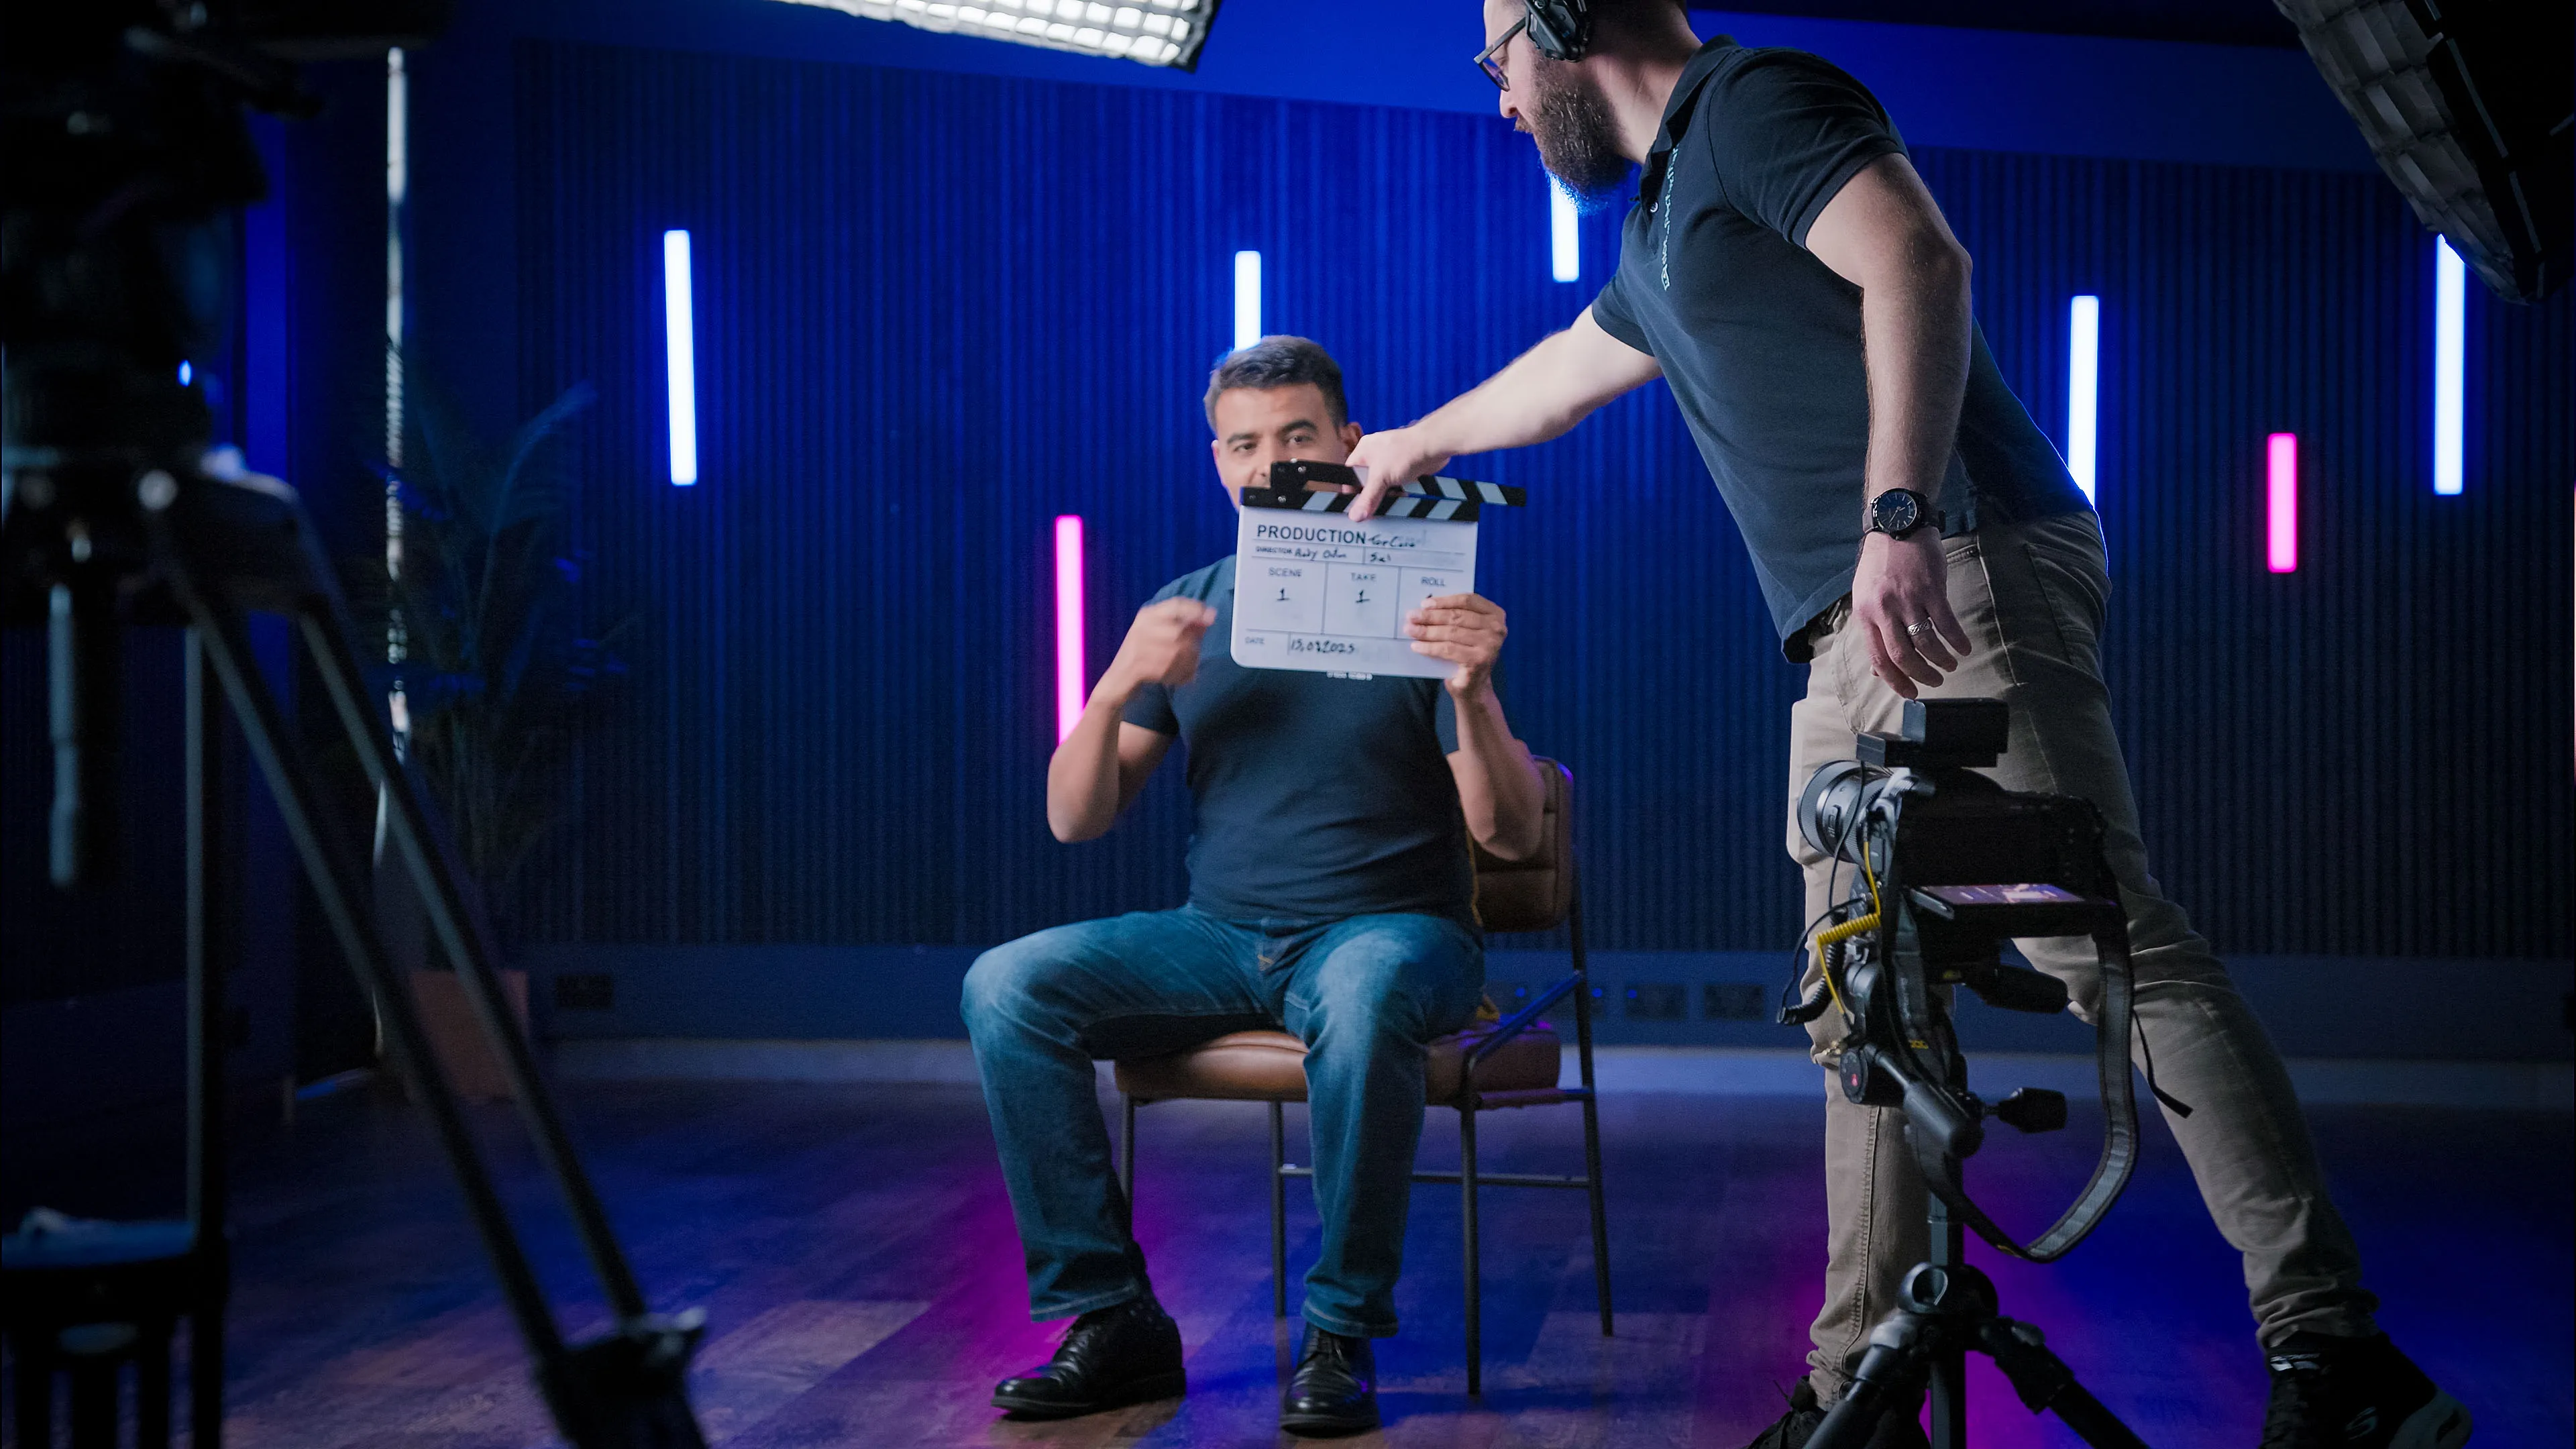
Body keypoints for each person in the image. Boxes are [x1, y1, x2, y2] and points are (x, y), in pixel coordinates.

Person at [1337, 4, 2473, 1446]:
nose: (1494, 97)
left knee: (2106, 944)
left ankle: (2339, 1360)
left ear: (1563, 20)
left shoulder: (1751, 102)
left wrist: (1902, 515)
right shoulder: (1665, 210)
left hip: (1951, 569)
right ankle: (1852, 1392)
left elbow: (1917, 260)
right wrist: (1412, 443)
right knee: (1862, 1002)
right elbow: (1566, 374)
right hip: (1844, 628)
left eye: (1493, 52)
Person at [961, 335, 1548, 1436]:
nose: (1270, 458)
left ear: (1350, 444)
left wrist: (1471, 690)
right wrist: (1120, 679)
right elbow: (1074, 818)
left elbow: (1509, 837)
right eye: (1244, 443)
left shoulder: (1425, 591)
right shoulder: (1190, 607)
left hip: (1395, 933)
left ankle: (1340, 1332)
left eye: (1297, 435)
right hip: (1222, 935)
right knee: (1006, 984)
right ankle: (1112, 1318)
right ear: (1219, 463)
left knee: (1367, 989)